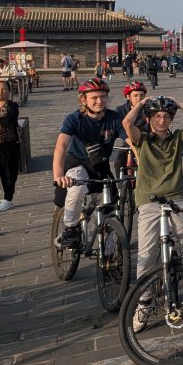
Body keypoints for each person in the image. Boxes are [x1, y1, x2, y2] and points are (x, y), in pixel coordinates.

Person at [122, 95, 183, 331]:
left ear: (171, 120)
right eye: (157, 116)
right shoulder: (142, 140)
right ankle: (144, 301)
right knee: (146, 254)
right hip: (148, 200)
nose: (161, 120)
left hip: (177, 197)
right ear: (149, 119)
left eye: (166, 117)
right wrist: (141, 104)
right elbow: (127, 123)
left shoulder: (178, 138)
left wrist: (180, 104)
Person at [52, 78, 128, 250]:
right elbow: (61, 146)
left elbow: (131, 142)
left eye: (103, 96)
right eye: (94, 97)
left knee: (111, 207)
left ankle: (110, 254)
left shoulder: (115, 118)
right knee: (77, 188)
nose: (99, 101)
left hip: (100, 165)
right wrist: (58, 175)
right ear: (83, 100)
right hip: (77, 163)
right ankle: (70, 229)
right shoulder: (74, 119)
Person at [0, 80, 21, 211]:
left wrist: (2, 117)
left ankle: (8, 198)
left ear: (8, 91)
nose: (0, 92)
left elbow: (7, 120)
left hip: (7, 145)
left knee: (8, 172)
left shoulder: (12, 106)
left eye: (3, 89)